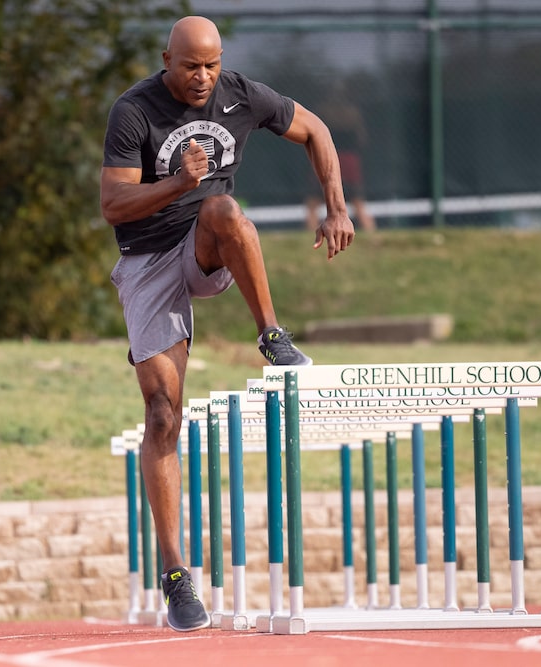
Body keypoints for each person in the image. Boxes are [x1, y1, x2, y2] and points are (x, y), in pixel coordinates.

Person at [99, 16, 355, 631]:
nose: (202, 78)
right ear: (168, 60)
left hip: (205, 246)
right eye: (190, 66)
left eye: (211, 66)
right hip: (148, 261)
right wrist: (175, 181)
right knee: (163, 412)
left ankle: (270, 333)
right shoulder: (134, 111)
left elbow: (315, 129)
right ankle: (177, 575)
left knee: (225, 209)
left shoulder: (242, 93)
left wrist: (335, 206)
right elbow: (113, 204)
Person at [305, 83, 376, 233]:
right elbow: (362, 138)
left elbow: (313, 135)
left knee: (313, 202)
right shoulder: (354, 113)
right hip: (350, 159)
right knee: (357, 201)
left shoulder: (322, 112)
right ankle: (371, 234)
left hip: (326, 158)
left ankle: (310, 237)